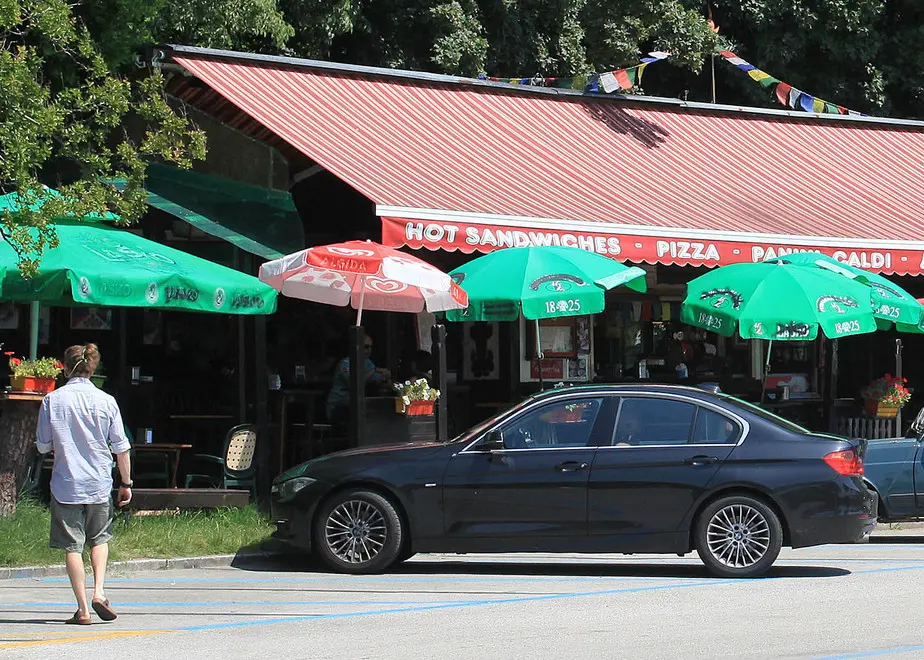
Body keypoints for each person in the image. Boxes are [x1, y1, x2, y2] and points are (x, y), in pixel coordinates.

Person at [36, 343, 132, 625]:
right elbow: (121, 447)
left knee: (72, 547)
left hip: (66, 484)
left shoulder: (52, 401)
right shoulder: (107, 401)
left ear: (65, 368)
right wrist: (125, 482)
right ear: (94, 369)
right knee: (100, 538)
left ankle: (83, 610)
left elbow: (42, 446)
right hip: (99, 482)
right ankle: (99, 592)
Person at [325, 335, 390, 432]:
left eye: (371, 347)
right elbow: (354, 383)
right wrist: (374, 370)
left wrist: (386, 377)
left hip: (357, 408)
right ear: (357, 347)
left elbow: (380, 379)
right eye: (366, 347)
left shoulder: (367, 362)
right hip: (338, 406)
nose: (369, 350)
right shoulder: (345, 364)